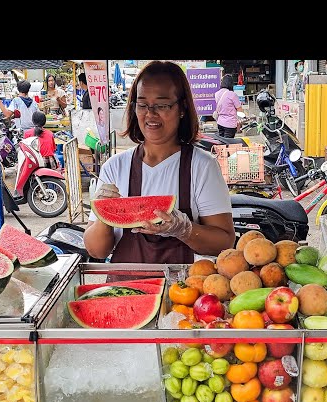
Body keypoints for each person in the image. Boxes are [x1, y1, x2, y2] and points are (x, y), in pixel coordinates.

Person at [84, 60, 235, 264]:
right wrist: (105, 213)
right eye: (142, 104)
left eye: (162, 105)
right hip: (127, 290)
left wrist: (184, 229)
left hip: (185, 291)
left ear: (182, 108)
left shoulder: (202, 166)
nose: (150, 114)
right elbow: (96, 251)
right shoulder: (115, 167)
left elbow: (225, 242)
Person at [214, 74, 243, 138]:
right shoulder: (232, 95)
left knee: (221, 142)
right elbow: (239, 109)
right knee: (228, 145)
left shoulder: (217, 94)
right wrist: (240, 121)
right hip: (230, 124)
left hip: (220, 122)